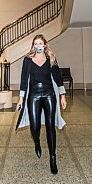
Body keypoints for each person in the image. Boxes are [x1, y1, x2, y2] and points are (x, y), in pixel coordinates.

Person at [16, 34, 67, 174]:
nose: (38, 46)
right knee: (34, 126)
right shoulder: (27, 60)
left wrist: (62, 96)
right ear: (33, 46)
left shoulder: (51, 59)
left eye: (40, 43)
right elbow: (23, 79)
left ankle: (52, 158)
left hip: (49, 94)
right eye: (36, 43)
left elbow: (58, 78)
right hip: (33, 95)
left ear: (45, 45)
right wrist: (21, 98)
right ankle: (37, 142)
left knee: (50, 126)